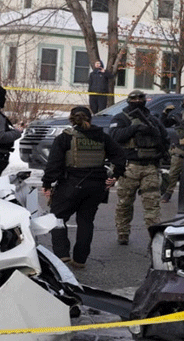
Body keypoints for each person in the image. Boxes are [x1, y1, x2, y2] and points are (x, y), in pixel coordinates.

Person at [41, 106, 125, 269]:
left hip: (70, 185)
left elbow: (54, 164)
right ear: (90, 119)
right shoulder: (102, 137)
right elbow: (120, 156)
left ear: (71, 119)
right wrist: (115, 175)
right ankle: (80, 259)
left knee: (58, 218)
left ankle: (62, 254)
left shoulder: (65, 138)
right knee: (86, 222)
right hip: (96, 187)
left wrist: (47, 184)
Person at [109, 89, 169, 245]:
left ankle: (155, 237)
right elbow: (115, 136)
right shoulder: (121, 118)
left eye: (140, 99)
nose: (137, 102)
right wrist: (135, 128)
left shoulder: (153, 120)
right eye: (134, 100)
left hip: (150, 167)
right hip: (129, 167)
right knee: (125, 203)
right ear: (129, 101)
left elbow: (164, 139)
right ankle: (123, 233)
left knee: (152, 204)